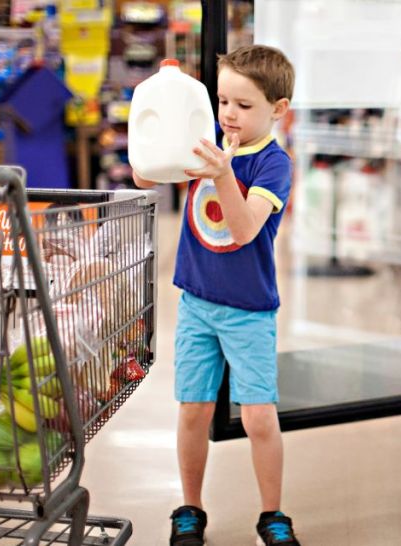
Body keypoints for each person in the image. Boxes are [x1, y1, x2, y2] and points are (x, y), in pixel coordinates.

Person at [133, 45, 299, 546]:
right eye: (223, 101)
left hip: (249, 310)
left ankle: (272, 513)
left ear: (278, 108)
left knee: (258, 415)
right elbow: (146, 175)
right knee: (193, 409)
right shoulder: (205, 142)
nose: (229, 114)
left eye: (244, 106)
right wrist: (149, 134)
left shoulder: (273, 164)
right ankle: (190, 508)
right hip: (197, 302)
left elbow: (246, 229)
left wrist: (222, 172)